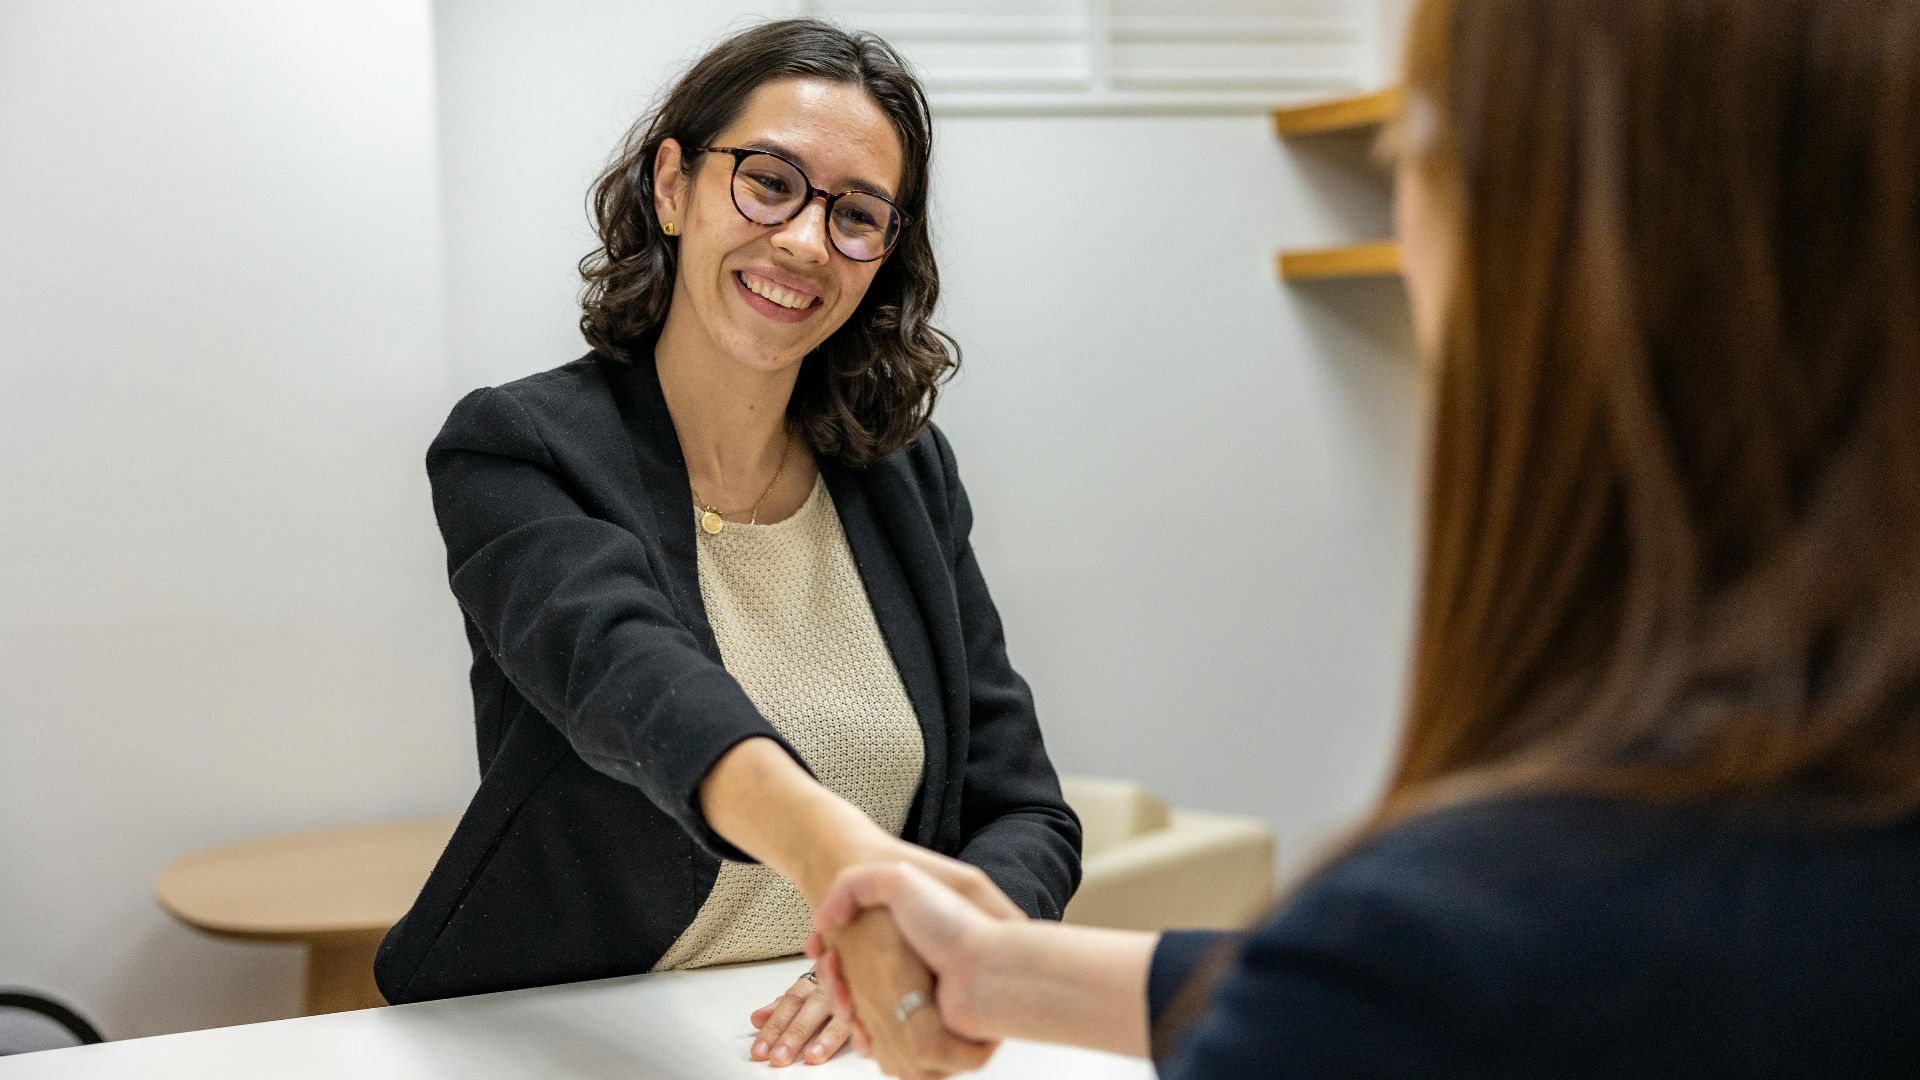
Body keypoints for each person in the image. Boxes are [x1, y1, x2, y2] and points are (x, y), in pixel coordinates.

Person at [808, 0, 1920, 1076]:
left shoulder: (1463, 938)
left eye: (1413, 153)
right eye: (767, 183)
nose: (806, 243)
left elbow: (1413, 989)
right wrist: (1011, 972)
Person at [373, 19, 1081, 1071]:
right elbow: (636, 685)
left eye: (856, 216)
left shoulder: (904, 475)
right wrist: (846, 863)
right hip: (565, 1038)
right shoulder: (518, 448)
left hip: (839, 1041)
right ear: (673, 186)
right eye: (768, 182)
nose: (803, 240)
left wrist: (929, 953)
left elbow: (1024, 811)